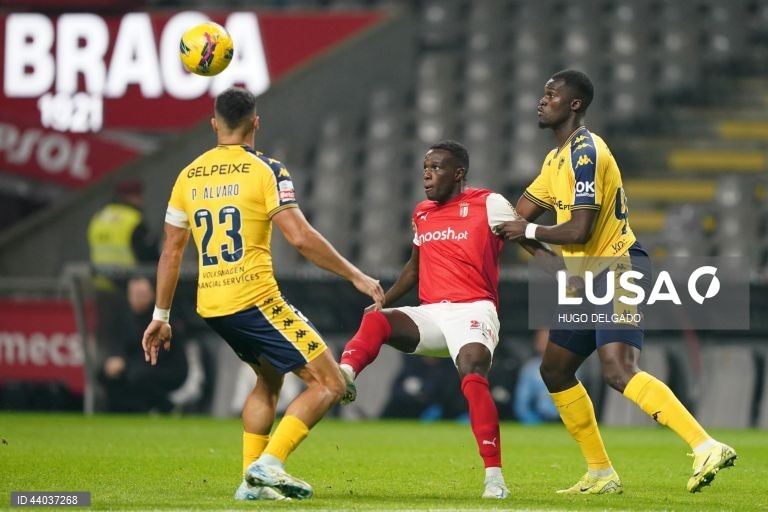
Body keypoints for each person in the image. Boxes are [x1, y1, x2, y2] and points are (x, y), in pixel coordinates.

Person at [495, 69, 736, 494]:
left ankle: (706, 445)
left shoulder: (586, 152)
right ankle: (601, 473)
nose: (541, 100)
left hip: (619, 266)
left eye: (551, 94)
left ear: (574, 104)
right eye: (543, 94)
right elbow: (516, 218)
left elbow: (580, 229)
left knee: (619, 369)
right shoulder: (554, 161)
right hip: (585, 277)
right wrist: (512, 233)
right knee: (555, 369)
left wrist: (527, 233)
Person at [141, 86, 384, 502]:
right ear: (256, 123)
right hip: (253, 298)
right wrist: (355, 275)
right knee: (329, 384)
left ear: (214, 124)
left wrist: (160, 316)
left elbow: (172, 251)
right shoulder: (266, 170)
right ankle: (269, 464)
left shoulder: (188, 175)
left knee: (268, 379)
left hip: (213, 304)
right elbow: (300, 237)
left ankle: (249, 486)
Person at [338, 140, 561, 499]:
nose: (427, 175)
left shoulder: (489, 203)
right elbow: (414, 269)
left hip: (474, 309)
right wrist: (382, 301)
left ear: (458, 174)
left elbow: (530, 244)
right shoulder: (422, 213)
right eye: (425, 168)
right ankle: (344, 376)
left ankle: (494, 478)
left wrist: (567, 278)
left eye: (437, 168)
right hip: (431, 314)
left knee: (472, 375)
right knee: (377, 321)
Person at [98, 276, 188, 412]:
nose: (137, 298)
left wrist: (126, 364)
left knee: (137, 374)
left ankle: (167, 408)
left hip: (166, 368)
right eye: (133, 294)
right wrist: (115, 362)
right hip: (135, 365)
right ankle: (122, 412)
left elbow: (159, 354)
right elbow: (121, 347)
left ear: (152, 295)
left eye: (141, 294)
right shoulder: (125, 319)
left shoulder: (161, 319)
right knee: (106, 374)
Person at [87, 178, 158, 291]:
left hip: (101, 284)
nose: (141, 199)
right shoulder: (133, 220)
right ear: (131, 197)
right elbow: (149, 256)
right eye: (138, 195)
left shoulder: (99, 217)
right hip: (130, 284)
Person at [513, 329, 559, 424]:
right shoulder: (530, 368)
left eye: (548, 338)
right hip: (537, 419)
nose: (544, 342)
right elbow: (521, 403)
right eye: (541, 339)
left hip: (564, 419)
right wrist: (532, 421)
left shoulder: (569, 365)